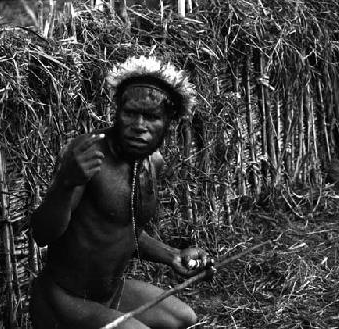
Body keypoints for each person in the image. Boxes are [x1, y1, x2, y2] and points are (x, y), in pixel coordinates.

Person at [29, 56, 212, 329]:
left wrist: (173, 254)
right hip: (65, 298)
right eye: (130, 113)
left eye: (151, 117)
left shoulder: (153, 162)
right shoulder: (89, 155)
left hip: (110, 294)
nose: (139, 125)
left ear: (168, 122)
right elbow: (41, 234)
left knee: (184, 319)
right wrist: (65, 184)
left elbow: (125, 230)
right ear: (117, 112)